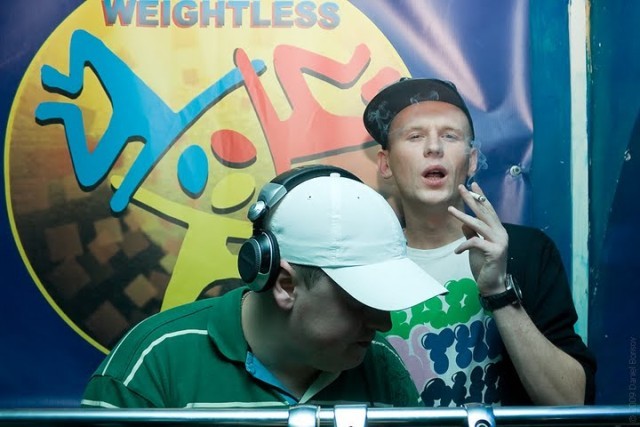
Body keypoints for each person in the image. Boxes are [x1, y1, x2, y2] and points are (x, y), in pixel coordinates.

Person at [81, 164, 446, 408]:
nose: (383, 323)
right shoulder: (153, 365)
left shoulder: (379, 364)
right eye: (360, 301)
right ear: (285, 285)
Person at [363, 78, 597, 406]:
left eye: (450, 136)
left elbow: (571, 401)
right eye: (415, 136)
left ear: (471, 160)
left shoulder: (526, 251)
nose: (434, 147)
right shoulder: (363, 266)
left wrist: (499, 291)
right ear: (386, 164)